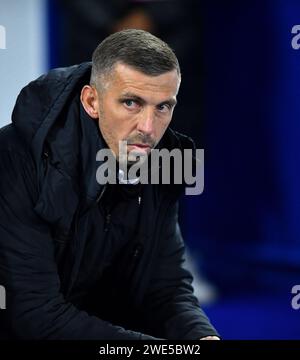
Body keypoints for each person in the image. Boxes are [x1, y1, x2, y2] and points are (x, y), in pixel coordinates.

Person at [0, 29, 219, 340]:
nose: (148, 128)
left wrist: (202, 338)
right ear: (92, 101)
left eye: (163, 107)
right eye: (131, 103)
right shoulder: (16, 159)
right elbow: (34, 316)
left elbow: (166, 289)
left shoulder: (164, 161)